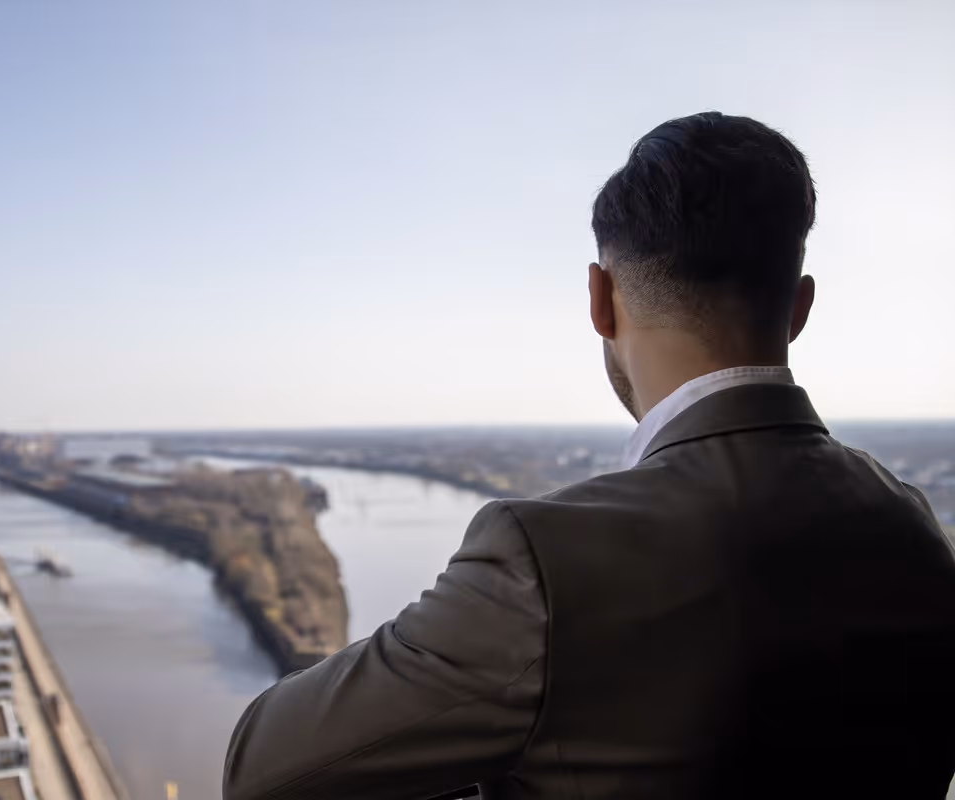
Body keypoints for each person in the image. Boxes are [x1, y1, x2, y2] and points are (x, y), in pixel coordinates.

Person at [222, 112, 955, 800]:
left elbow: (262, 767)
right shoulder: (915, 531)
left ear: (600, 300)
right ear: (798, 308)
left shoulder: (546, 557)